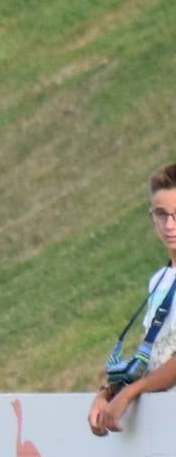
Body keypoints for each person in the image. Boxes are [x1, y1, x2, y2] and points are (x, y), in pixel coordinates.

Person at [88, 162, 176, 436]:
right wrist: (108, 392)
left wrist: (128, 395)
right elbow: (152, 357)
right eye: (161, 214)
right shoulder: (160, 279)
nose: (169, 225)